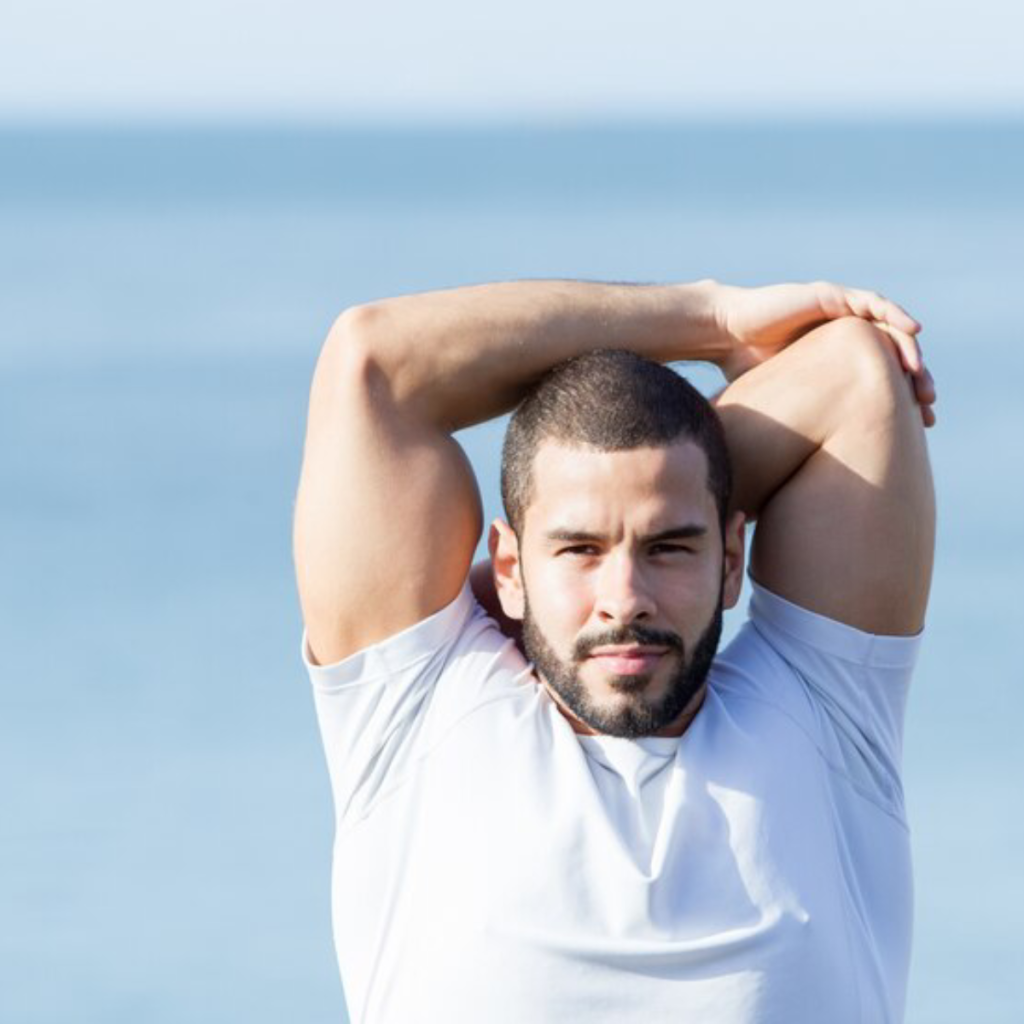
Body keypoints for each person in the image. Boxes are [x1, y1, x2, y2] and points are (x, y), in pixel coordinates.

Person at [293, 279, 936, 1023]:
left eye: (669, 547)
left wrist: (656, 490)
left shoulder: (824, 713)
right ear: (511, 567)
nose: (625, 598)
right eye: (579, 549)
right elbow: (372, 359)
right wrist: (713, 319)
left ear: (730, 559)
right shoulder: (414, 712)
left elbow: (855, 372)